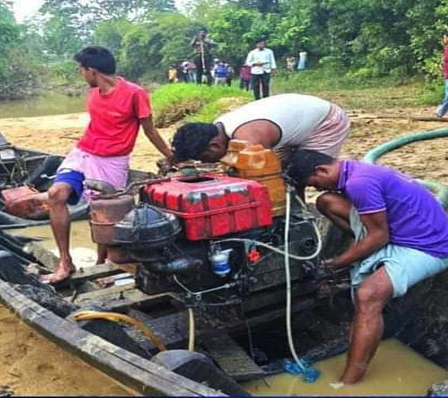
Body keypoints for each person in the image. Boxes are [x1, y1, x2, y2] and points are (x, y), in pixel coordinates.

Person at [285, 150, 448, 385]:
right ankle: (361, 255)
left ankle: (350, 381)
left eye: (313, 183)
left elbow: (378, 236)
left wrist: (333, 264)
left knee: (367, 295)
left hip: (429, 246)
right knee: (326, 202)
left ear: (321, 170)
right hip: (400, 232)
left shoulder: (360, 183)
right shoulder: (353, 170)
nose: (317, 188)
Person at [42, 46, 173, 283]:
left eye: (81, 70)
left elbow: (150, 131)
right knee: (55, 194)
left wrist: (171, 156)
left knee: (104, 214)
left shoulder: (135, 93)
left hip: (112, 161)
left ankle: (103, 264)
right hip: (83, 153)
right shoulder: (93, 93)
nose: (80, 74)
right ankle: (65, 262)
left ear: (91, 70)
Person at [171, 93, 350, 163]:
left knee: (307, 172)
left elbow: (261, 170)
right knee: (284, 170)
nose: (205, 163)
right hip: (295, 120)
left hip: (325, 122)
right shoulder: (220, 126)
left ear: (214, 146)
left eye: (204, 158)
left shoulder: (249, 138)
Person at [435, 33, 448, 118]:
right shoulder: (446, 48)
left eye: (445, 38)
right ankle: (440, 111)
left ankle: (440, 111)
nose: (444, 40)